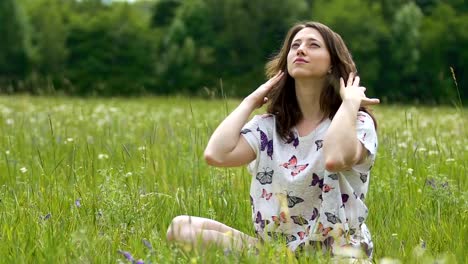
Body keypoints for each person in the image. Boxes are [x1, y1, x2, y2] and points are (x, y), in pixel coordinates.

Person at [166, 21, 379, 260]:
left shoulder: (357, 123)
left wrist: (349, 103)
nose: (300, 49)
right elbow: (216, 155)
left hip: (336, 254)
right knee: (180, 227)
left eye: (313, 45)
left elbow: (334, 158)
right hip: (277, 253)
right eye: (295, 45)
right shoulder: (270, 127)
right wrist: (250, 101)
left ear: (332, 64)